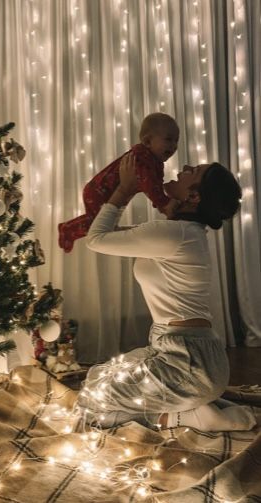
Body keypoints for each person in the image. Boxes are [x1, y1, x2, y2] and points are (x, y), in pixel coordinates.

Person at [76, 153, 256, 432]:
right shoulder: (180, 232)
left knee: (90, 400)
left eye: (192, 171)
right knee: (96, 376)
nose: (183, 168)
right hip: (185, 355)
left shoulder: (175, 234)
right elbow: (109, 233)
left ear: (194, 197)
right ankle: (197, 406)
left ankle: (187, 418)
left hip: (187, 364)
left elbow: (95, 240)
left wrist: (123, 191)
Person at [58, 113, 180, 252]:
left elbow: (155, 184)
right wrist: (164, 203)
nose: (174, 145)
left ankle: (68, 229)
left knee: (104, 225)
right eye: (169, 139)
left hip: (105, 192)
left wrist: (161, 204)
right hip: (98, 190)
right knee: (96, 224)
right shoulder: (142, 157)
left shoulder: (155, 162)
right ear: (147, 142)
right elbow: (149, 185)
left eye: (176, 140)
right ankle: (67, 229)